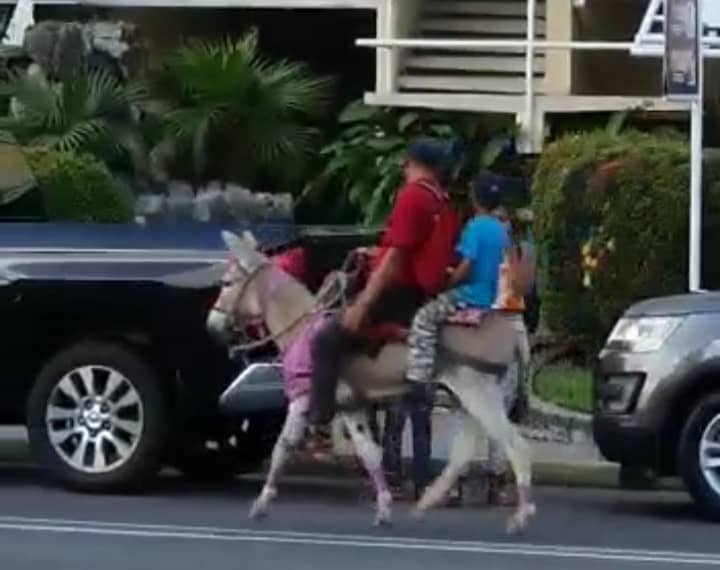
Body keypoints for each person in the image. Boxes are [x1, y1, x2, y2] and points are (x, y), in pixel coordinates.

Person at [305, 138, 461, 452]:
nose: (402, 167)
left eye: (406, 162)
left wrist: (362, 304)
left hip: (397, 296)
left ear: (412, 164)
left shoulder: (413, 197)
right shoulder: (440, 201)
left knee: (326, 337)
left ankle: (318, 423)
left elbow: (396, 259)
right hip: (420, 294)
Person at [405, 172, 508, 387]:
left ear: (475, 199)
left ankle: (418, 378)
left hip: (468, 295)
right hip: (490, 295)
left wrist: (448, 284)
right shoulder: (501, 229)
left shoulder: (475, 226)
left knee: (423, 318)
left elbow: (467, 265)